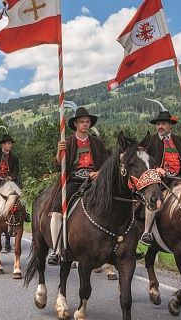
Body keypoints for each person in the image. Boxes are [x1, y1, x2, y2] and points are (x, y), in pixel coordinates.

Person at [47, 107, 110, 265]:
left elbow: (107, 164)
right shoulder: (67, 142)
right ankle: (56, 250)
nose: (85, 124)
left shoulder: (97, 142)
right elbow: (58, 166)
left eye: (87, 122)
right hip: (74, 181)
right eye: (82, 122)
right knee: (56, 211)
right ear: (75, 124)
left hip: (94, 182)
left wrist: (100, 172)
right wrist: (58, 153)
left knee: (112, 204)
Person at [140, 109, 181, 246]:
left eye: (163, 124)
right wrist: (156, 168)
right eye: (158, 124)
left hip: (180, 179)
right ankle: (146, 232)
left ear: (170, 126)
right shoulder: (151, 141)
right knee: (154, 198)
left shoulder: (178, 140)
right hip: (160, 181)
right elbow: (143, 161)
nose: (160, 127)